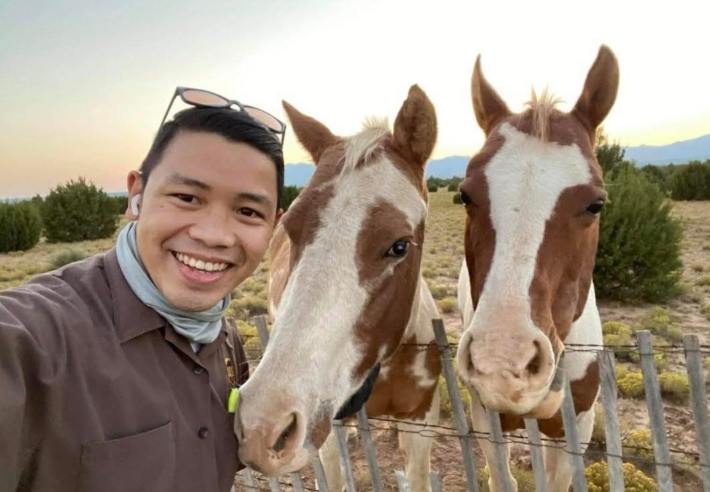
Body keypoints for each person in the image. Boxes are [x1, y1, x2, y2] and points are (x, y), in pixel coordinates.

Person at [0, 87, 285, 492]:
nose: (214, 236)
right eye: (187, 197)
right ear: (137, 195)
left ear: (274, 224)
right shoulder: (36, 340)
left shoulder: (225, 342)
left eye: (247, 212)